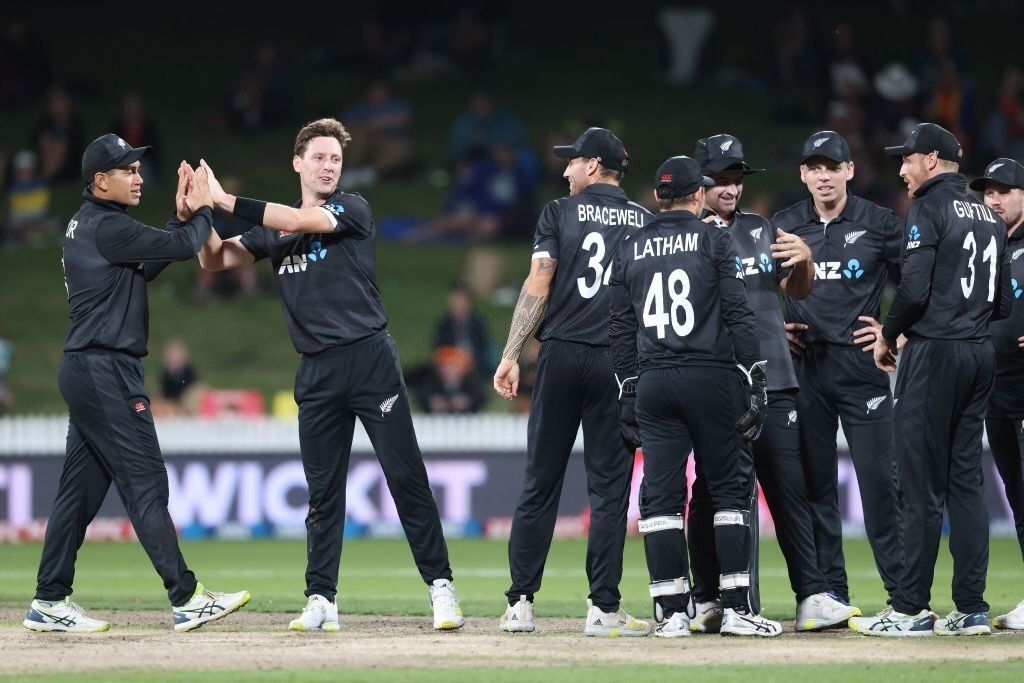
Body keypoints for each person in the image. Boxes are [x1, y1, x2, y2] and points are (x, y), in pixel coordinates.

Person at [193, 118, 463, 632]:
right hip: (316, 371)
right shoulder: (275, 226)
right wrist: (198, 212)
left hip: (369, 360)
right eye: (318, 157)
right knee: (323, 491)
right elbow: (214, 260)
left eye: (335, 159)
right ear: (297, 163)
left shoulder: (351, 207)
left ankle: (441, 589)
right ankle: (321, 599)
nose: (328, 166)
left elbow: (301, 223)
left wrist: (227, 201)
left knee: (405, 476)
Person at [23, 134, 250, 633]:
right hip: (105, 371)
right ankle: (186, 597)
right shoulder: (108, 227)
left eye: (138, 168)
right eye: (128, 170)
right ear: (100, 180)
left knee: (77, 494)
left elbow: (151, 259)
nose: (138, 176)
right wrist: (203, 208)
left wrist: (182, 220)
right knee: (145, 481)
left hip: (87, 369)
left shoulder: (95, 225)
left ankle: (49, 600)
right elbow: (185, 247)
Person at [684, 134, 857, 633]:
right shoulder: (686, 236)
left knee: (788, 490)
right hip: (718, 380)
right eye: (720, 179)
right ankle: (709, 597)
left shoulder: (763, 229)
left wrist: (803, 261)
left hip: (776, 377)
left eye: (737, 177)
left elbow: (795, 292)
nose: (731, 187)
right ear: (700, 182)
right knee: (711, 495)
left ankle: (811, 596)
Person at [609, 155, 779, 637]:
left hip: (654, 381)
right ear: (697, 194)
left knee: (660, 496)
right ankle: (737, 610)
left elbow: (620, 326)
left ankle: (670, 613)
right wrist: (755, 377)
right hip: (710, 376)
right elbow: (738, 313)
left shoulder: (631, 243)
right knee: (728, 490)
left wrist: (626, 388)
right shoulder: (713, 238)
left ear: (658, 196)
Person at [493, 127, 650, 636]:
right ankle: (603, 609)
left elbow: (540, 281)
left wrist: (512, 353)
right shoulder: (647, 223)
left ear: (594, 165)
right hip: (617, 363)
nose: (565, 170)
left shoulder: (558, 214)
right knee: (609, 491)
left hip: (560, 356)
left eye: (572, 162)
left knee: (540, 481)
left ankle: (520, 604)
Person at [852, 123, 1006, 636]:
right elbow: (1002, 303)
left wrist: (889, 336)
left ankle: (910, 608)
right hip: (978, 353)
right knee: (966, 484)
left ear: (933, 161)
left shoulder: (928, 207)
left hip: (935, 353)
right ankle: (971, 608)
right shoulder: (989, 215)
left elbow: (913, 291)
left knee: (917, 485)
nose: (901, 170)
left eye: (908, 160)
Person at [771, 131, 904, 611]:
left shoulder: (880, 223)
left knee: (880, 485)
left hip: (860, 366)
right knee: (815, 487)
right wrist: (773, 330)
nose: (824, 175)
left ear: (850, 170)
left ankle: (903, 599)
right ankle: (831, 597)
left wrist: (895, 331)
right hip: (805, 364)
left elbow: (923, 278)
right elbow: (751, 285)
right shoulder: (784, 225)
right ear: (803, 174)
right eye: (815, 167)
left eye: (833, 167)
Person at [971, 158, 1024, 630]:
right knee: (1019, 497)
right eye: (989, 192)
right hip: (996, 388)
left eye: (1005, 190)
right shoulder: (982, 246)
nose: (995, 199)